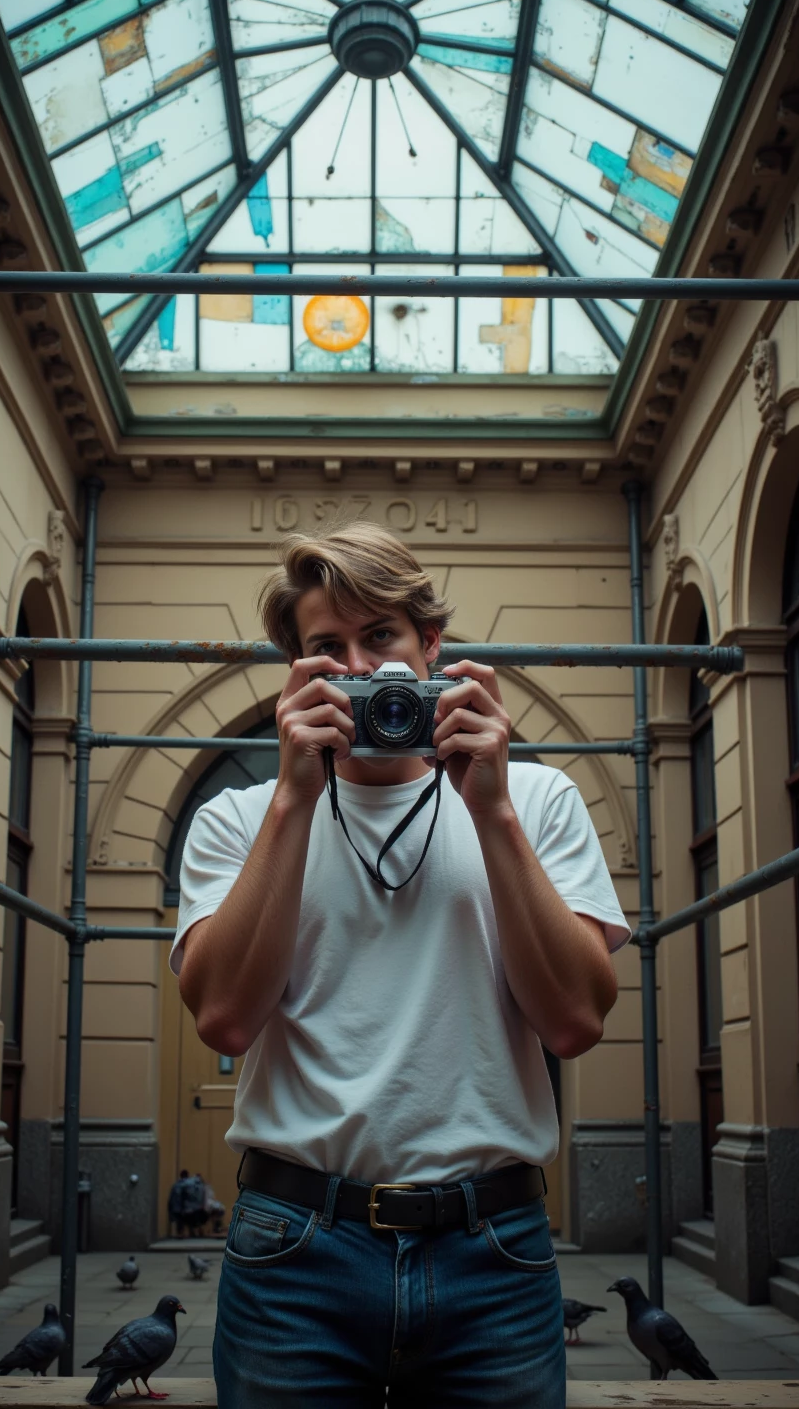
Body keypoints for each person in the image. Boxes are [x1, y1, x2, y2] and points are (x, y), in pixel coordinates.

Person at [172, 523, 629, 1408]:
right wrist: (296, 797)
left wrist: (491, 812)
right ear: (297, 673)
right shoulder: (239, 818)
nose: (359, 667)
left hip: (491, 1246)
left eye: (379, 636)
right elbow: (224, 1019)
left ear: (430, 648)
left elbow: (575, 1023)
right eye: (326, 649)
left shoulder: (536, 799)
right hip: (292, 1248)